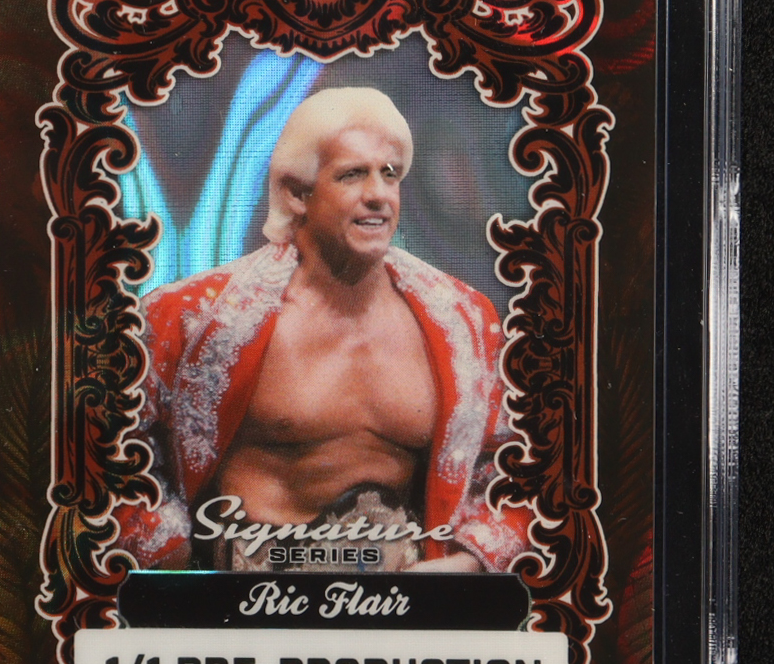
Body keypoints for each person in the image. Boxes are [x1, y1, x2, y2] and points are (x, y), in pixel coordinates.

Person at [115, 87, 529, 573]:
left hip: (404, 602)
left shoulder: (464, 319)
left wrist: (467, 562)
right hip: (251, 600)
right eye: (352, 174)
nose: (378, 195)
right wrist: (173, 559)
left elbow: (512, 465)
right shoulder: (191, 316)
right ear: (297, 194)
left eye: (389, 174)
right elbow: (113, 456)